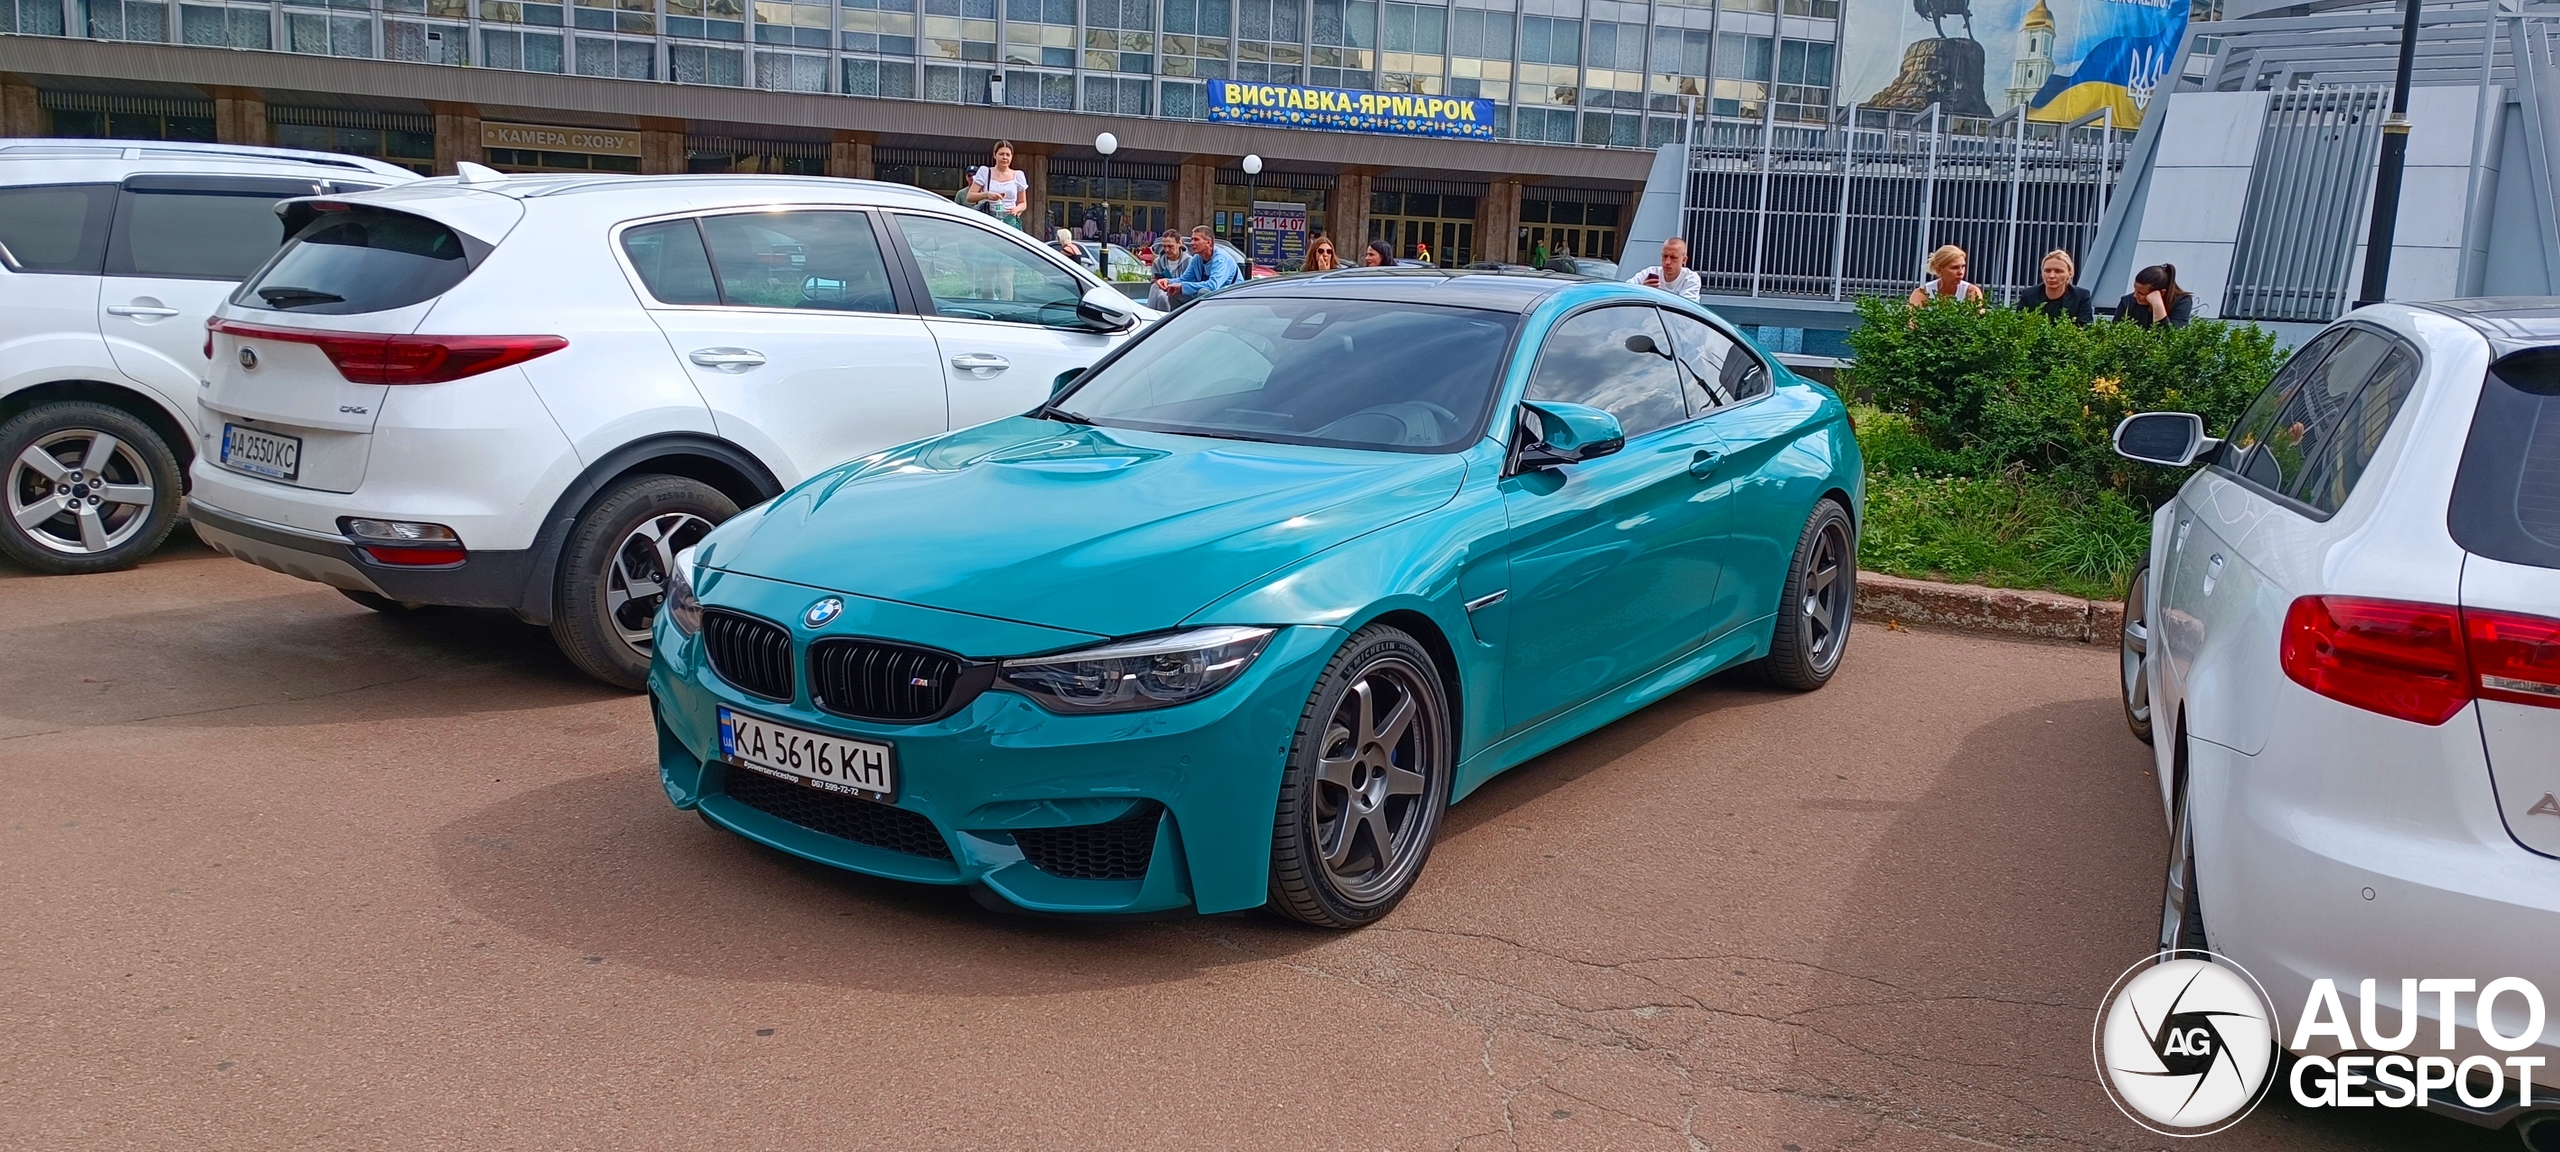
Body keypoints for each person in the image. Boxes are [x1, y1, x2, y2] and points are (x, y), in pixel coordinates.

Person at [1155, 225, 1240, 305]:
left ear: (1208, 242)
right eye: (1192, 239)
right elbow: (1185, 279)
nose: (1192, 243)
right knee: (1174, 293)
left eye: (1196, 239)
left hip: (1232, 298)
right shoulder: (1197, 258)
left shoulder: (1220, 259)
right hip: (1216, 297)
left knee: (1204, 292)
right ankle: (1181, 320)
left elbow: (1213, 286)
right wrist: (1168, 281)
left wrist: (1182, 287)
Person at [961, 140, 1028, 231]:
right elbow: (970, 196)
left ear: (1012, 156)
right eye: (1001, 154)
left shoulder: (1018, 175)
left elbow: (1023, 203)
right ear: (994, 155)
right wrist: (986, 195)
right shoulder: (985, 172)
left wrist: (1016, 209)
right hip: (990, 218)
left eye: (1008, 155)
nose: (1004, 157)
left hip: (1011, 219)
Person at [2020, 249, 2093, 324]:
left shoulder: (2081, 296)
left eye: (2058, 271)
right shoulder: (2028, 295)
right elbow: (2018, 325)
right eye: (2047, 271)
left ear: (2070, 274)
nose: (2051, 276)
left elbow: (2085, 329)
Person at [2117, 263, 2194, 328]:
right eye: (2135, 290)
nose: (2135, 295)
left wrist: (2157, 305)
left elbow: (2172, 338)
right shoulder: (2127, 302)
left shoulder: (2182, 302)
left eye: (2141, 293)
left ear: (2161, 293)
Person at [1908, 244, 1986, 307]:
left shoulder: (1972, 292)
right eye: (1954, 267)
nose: (1961, 272)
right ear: (1939, 270)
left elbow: (1977, 321)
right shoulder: (1922, 293)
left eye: (1963, 266)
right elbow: (1912, 322)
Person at [1626, 237, 1702, 301]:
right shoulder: (1649, 272)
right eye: (1665, 256)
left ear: (1684, 260)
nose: (1667, 262)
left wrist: (1650, 294)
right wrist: (1643, 291)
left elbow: (1685, 308)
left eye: (1673, 257)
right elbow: (1625, 290)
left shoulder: (1691, 278)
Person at [1144, 234, 1187, 310]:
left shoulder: (1190, 261)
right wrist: (1159, 282)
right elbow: (1153, 280)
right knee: (1158, 291)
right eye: (1164, 246)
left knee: (1163, 296)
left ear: (1179, 244)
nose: (1167, 250)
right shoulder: (1158, 262)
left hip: (1181, 295)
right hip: (1162, 291)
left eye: (1170, 246)